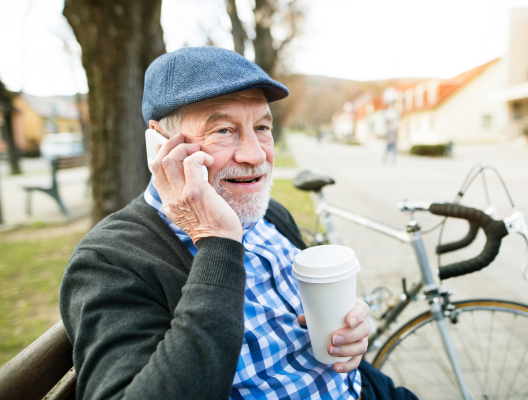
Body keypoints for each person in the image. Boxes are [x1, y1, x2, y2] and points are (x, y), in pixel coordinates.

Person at [59, 47, 418, 400]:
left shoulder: (270, 213)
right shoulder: (110, 260)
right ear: (160, 145)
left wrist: (352, 338)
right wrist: (217, 242)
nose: (255, 155)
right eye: (223, 131)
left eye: (262, 127)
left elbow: (325, 332)